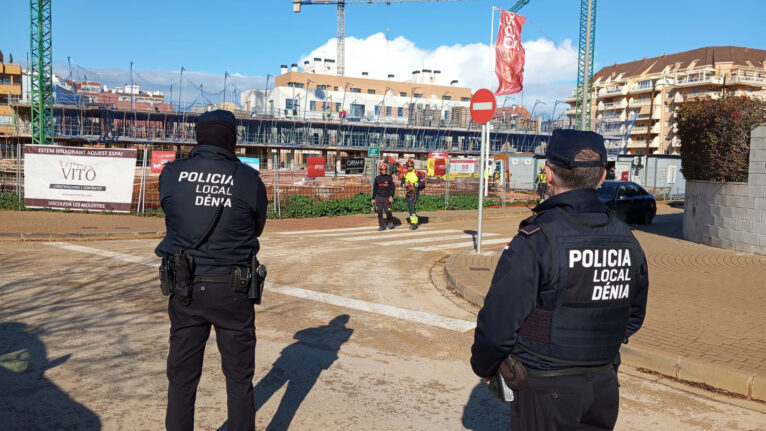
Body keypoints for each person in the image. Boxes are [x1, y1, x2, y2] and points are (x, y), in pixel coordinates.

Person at [470, 129, 649, 431]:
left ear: (549, 174)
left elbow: (499, 323)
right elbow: (633, 316)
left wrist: (485, 367)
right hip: (603, 385)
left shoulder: (536, 240)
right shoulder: (627, 239)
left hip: (544, 388)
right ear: (603, 177)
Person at [155, 109, 268, 431]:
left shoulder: (172, 174)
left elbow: (172, 215)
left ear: (199, 136)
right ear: (232, 138)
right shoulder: (247, 178)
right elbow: (256, 227)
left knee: (181, 377)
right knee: (238, 378)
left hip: (185, 287)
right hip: (232, 289)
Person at [401, 159, 425, 230]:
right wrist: (404, 184)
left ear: (413, 166)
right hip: (408, 192)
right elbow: (401, 183)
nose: (410, 167)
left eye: (411, 166)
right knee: (410, 207)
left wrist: (414, 184)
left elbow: (422, 183)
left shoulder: (417, 174)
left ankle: (414, 223)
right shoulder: (405, 175)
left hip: (414, 192)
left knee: (411, 206)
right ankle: (414, 220)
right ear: (407, 167)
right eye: (408, 166)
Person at [372, 162, 396, 230]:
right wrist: (373, 198)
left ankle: (390, 221)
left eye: (385, 169)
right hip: (379, 197)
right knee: (379, 211)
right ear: (380, 170)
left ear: (386, 170)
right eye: (382, 169)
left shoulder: (389, 178)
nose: (384, 170)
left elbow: (393, 188)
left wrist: (392, 196)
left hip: (387, 197)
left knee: (387, 211)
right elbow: (375, 189)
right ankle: (381, 225)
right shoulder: (377, 178)